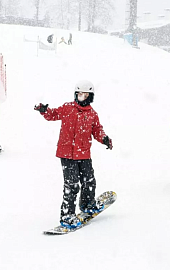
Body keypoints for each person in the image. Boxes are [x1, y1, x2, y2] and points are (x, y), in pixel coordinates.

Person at [34, 80, 113, 229]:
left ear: (90, 97)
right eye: (79, 94)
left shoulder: (92, 114)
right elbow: (54, 114)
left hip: (83, 153)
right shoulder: (68, 108)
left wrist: (104, 139)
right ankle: (67, 216)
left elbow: (97, 130)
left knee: (89, 180)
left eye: (84, 95)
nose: (81, 97)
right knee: (72, 185)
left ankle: (88, 205)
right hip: (67, 154)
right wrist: (45, 110)